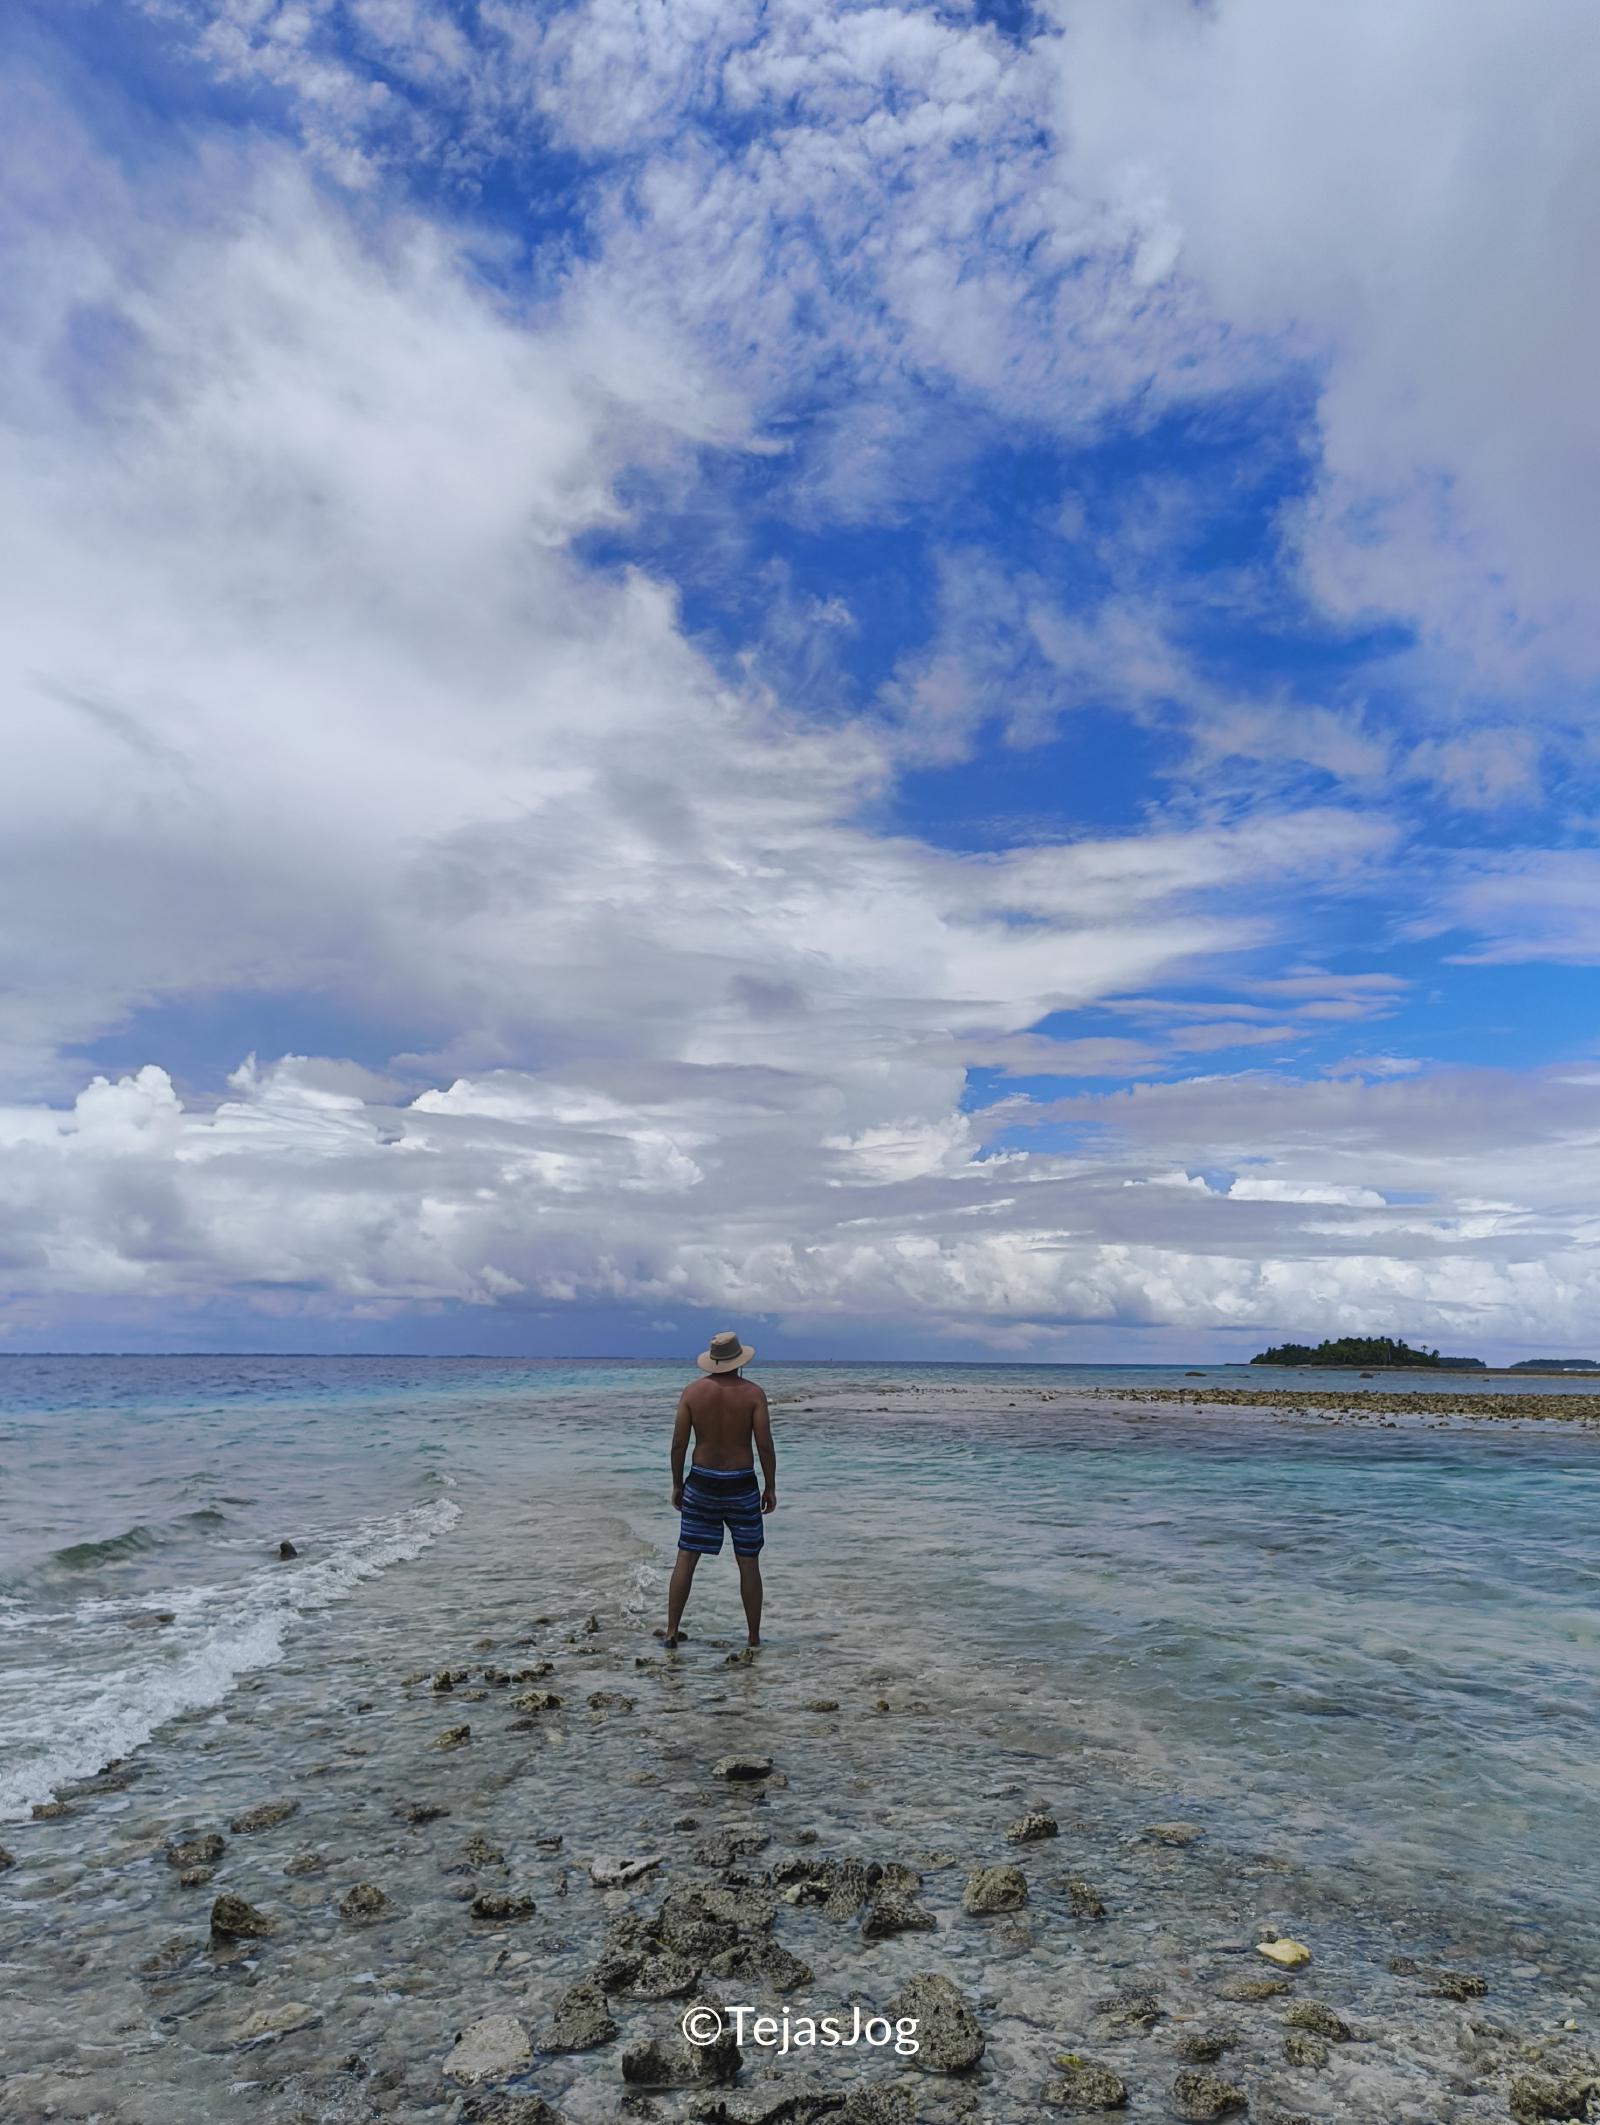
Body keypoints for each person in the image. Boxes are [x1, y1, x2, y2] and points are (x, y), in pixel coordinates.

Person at [661, 1330, 776, 1649]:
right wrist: (770, 1486)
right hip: (741, 1483)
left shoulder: (692, 1393)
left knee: (686, 1556)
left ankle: (671, 1631)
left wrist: (676, 1483)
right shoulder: (753, 1394)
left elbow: (678, 1444)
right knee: (748, 1561)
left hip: (701, 1481)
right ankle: (753, 1638)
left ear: (712, 1361)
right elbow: (764, 1445)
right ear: (740, 1362)